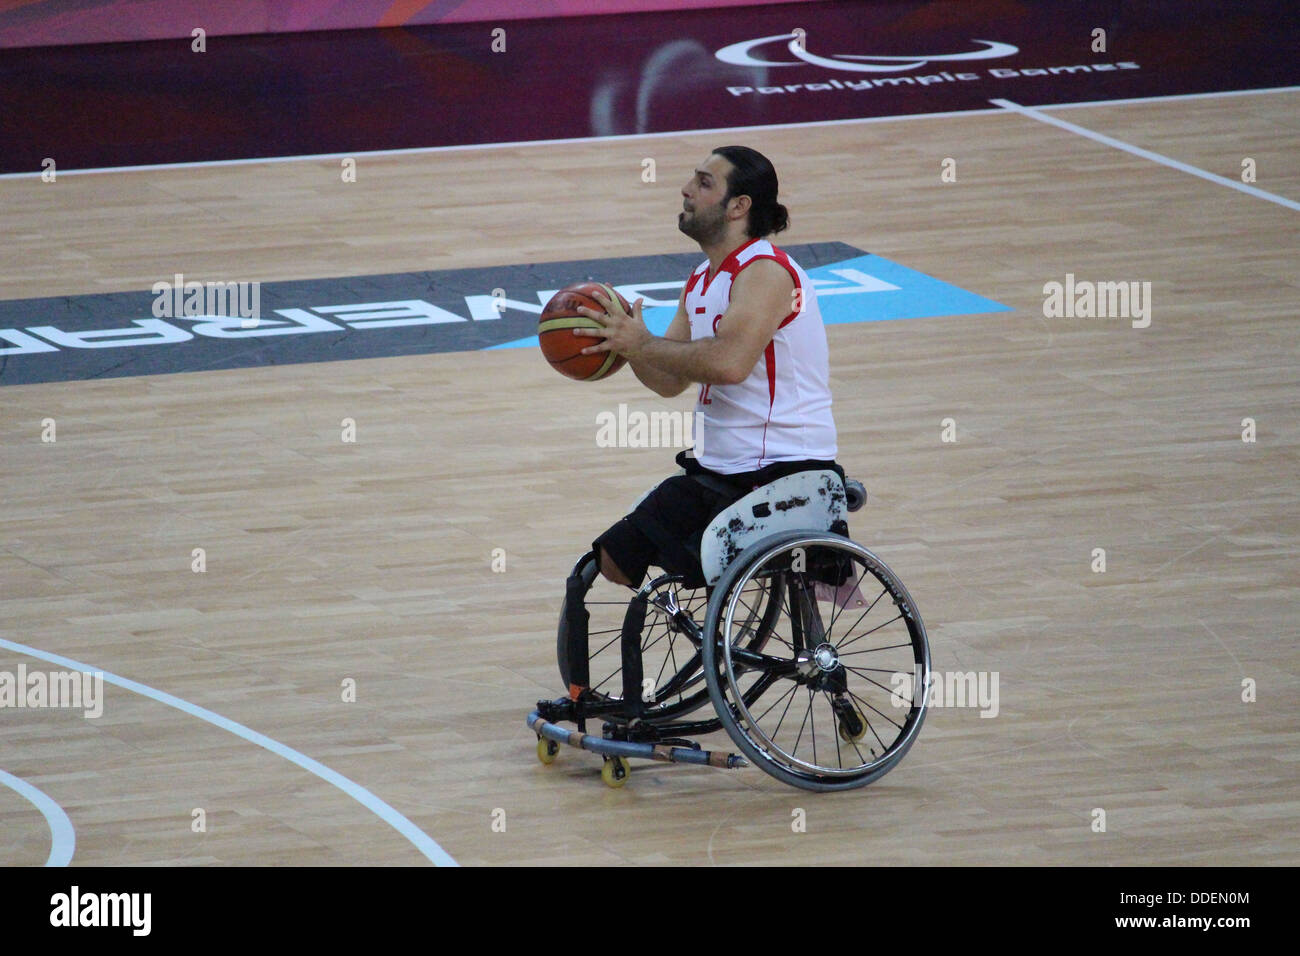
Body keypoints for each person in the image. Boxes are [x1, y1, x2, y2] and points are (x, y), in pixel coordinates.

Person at [575, 145, 841, 590]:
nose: (685, 190)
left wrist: (642, 343)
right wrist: (625, 345)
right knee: (613, 559)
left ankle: (719, 652)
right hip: (720, 471)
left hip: (781, 469)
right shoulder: (702, 278)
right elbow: (669, 380)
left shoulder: (766, 273)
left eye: (703, 183)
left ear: (739, 206)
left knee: (675, 565)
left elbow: (730, 364)